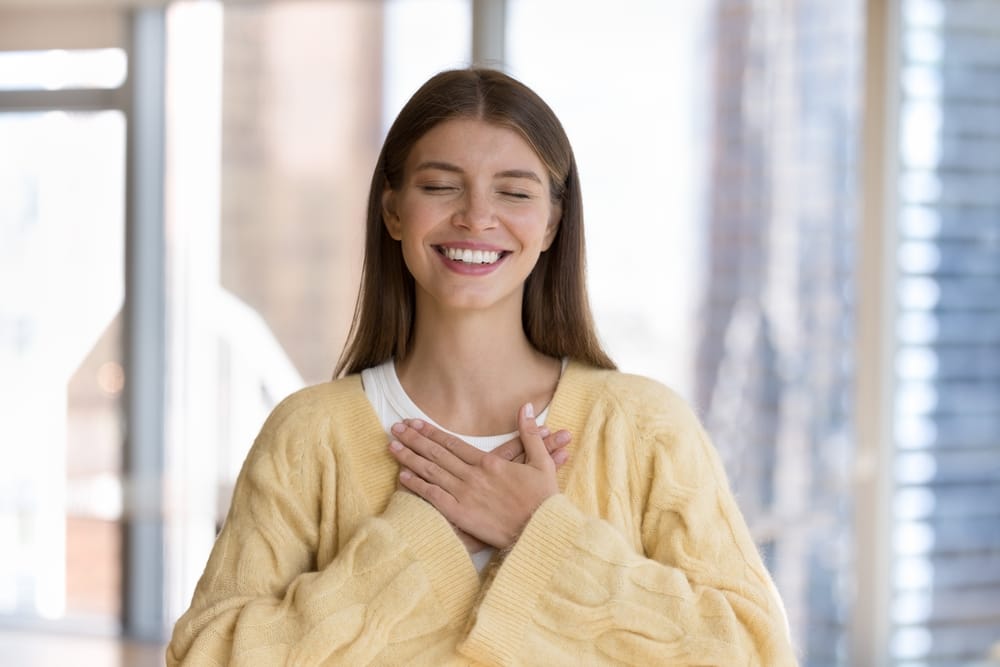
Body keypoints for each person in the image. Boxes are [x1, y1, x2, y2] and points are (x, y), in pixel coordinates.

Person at [167, 67, 797, 666]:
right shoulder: (310, 436)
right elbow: (206, 656)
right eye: (440, 186)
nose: (475, 216)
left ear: (551, 222)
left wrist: (541, 533)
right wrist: (419, 543)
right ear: (392, 211)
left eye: (514, 192)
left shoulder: (646, 427)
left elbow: (752, 649)